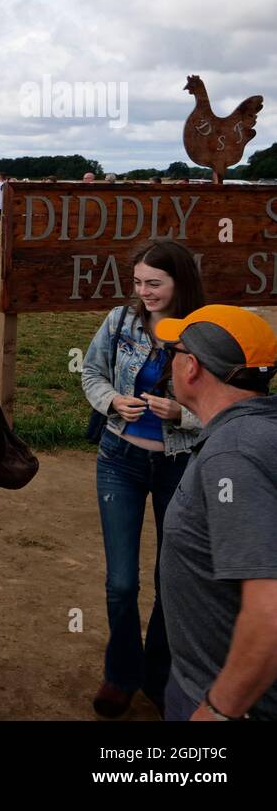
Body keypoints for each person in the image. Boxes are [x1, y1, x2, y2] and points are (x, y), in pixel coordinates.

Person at [81, 239, 205, 718]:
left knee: (169, 579)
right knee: (121, 583)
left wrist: (183, 413)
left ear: (180, 282)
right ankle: (120, 675)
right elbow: (92, 372)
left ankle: (159, 676)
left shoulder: (204, 330)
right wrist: (112, 400)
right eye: (137, 283)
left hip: (182, 465)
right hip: (119, 458)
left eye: (154, 283)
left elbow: (228, 403)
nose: (144, 292)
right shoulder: (120, 321)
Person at [154, 305, 277, 721]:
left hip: (230, 702)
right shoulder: (256, 431)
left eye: (174, 351)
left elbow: (271, 611)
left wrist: (220, 708)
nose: (169, 360)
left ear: (191, 367)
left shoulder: (234, 455)